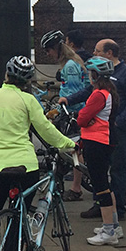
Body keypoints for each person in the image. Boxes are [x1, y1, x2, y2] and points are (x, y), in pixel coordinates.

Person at [0, 56, 76, 251]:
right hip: (24, 165)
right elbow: (45, 130)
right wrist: (69, 144)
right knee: (19, 216)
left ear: (6, 74)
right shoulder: (29, 100)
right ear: (28, 79)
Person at [69, 39, 126, 222]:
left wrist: (119, 123)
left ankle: (119, 208)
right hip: (104, 131)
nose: (94, 53)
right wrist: (68, 100)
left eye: (98, 50)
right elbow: (87, 91)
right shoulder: (99, 75)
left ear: (109, 53)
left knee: (118, 169)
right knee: (100, 173)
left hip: (118, 130)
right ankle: (100, 205)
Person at [42, 30, 89, 201]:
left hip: (74, 114)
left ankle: (76, 188)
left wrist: (59, 111)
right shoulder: (72, 63)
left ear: (56, 48)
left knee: (73, 150)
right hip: (73, 112)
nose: (47, 54)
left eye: (48, 50)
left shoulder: (70, 66)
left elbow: (73, 95)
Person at [77, 57, 120, 245]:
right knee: (106, 185)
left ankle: (108, 231)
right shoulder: (110, 92)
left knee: (100, 186)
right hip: (105, 141)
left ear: (95, 75)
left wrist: (86, 118)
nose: (88, 76)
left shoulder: (98, 95)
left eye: (89, 73)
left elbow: (82, 118)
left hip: (95, 142)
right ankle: (114, 226)